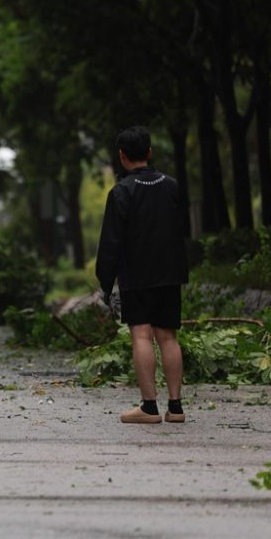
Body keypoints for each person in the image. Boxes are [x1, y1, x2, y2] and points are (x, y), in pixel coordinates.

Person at [96, 126, 189, 424]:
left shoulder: (122, 191)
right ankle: (176, 407)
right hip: (170, 273)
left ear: (122, 157)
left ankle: (149, 407)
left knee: (142, 335)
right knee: (169, 337)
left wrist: (105, 283)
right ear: (149, 153)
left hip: (137, 275)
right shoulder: (172, 186)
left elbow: (111, 242)